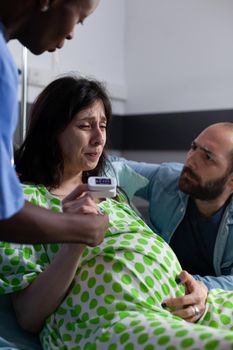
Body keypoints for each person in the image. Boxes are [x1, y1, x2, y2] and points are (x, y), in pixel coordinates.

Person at [1, 76, 233, 350]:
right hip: (116, 318)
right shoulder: (22, 204)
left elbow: (114, 168)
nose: (99, 139)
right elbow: (28, 316)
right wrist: (75, 238)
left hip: (185, 301)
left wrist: (200, 290)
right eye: (85, 126)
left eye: (103, 126)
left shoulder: (111, 193)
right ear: (52, 130)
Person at [0, 0, 109, 246]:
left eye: (103, 126)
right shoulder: (31, 197)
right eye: (79, 19)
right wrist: (80, 230)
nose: (71, 34)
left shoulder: (115, 196)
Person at [109, 122, 233, 292]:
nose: (191, 159)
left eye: (208, 157)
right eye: (193, 147)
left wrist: (200, 286)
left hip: (208, 304)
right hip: (156, 289)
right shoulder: (167, 179)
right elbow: (115, 166)